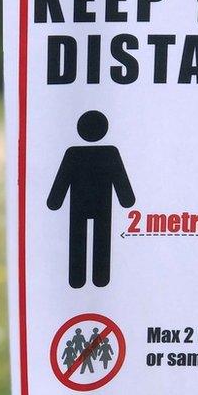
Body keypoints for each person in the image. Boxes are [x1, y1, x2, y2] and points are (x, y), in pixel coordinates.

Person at [48, 111, 135, 288]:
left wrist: (55, 201)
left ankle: (77, 279)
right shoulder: (110, 153)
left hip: (79, 205)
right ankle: (100, 278)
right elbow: (121, 181)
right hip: (102, 206)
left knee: (78, 238)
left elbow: (61, 181)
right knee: (101, 240)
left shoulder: (74, 153)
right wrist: (127, 199)